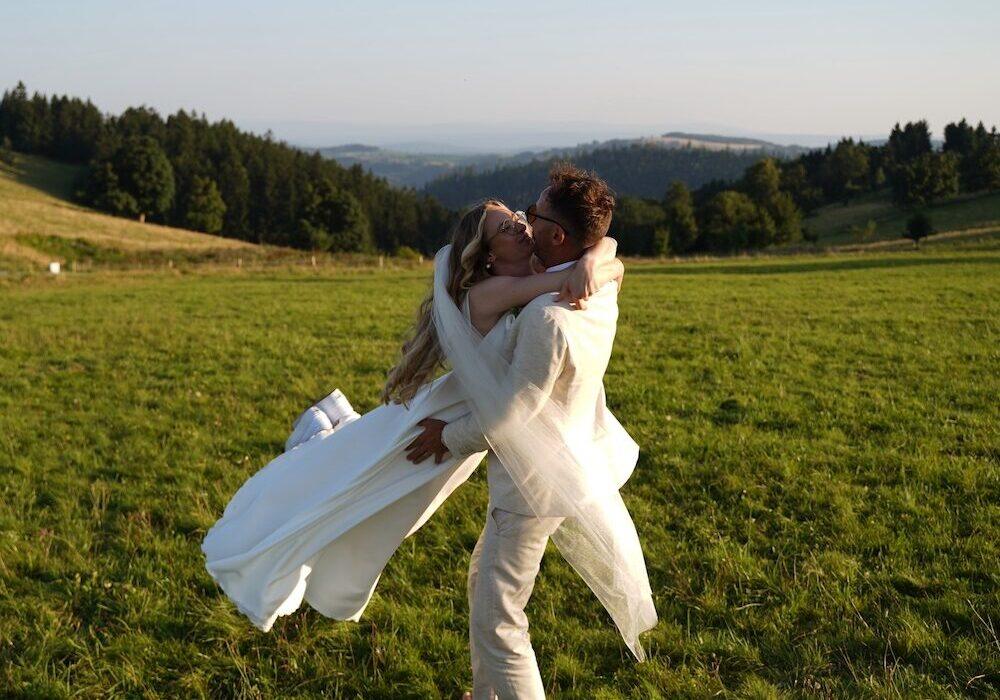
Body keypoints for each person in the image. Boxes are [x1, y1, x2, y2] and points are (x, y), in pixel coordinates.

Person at [201, 196, 623, 638]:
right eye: (506, 229)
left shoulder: (532, 272)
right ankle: (314, 453)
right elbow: (582, 272)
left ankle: (335, 433)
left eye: (518, 219)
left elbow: (605, 249)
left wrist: (596, 256)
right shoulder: (489, 293)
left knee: (397, 505)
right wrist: (596, 262)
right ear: (488, 257)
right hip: (440, 422)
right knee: (368, 491)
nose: (520, 227)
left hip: (466, 417)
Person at [407, 164, 657, 699]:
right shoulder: (595, 288)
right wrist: (596, 256)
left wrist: (445, 438)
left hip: (532, 485)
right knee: (485, 582)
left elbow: (510, 416)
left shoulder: (549, 317)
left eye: (535, 215)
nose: (526, 219)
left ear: (557, 235)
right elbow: (610, 250)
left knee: (500, 620)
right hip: (564, 463)